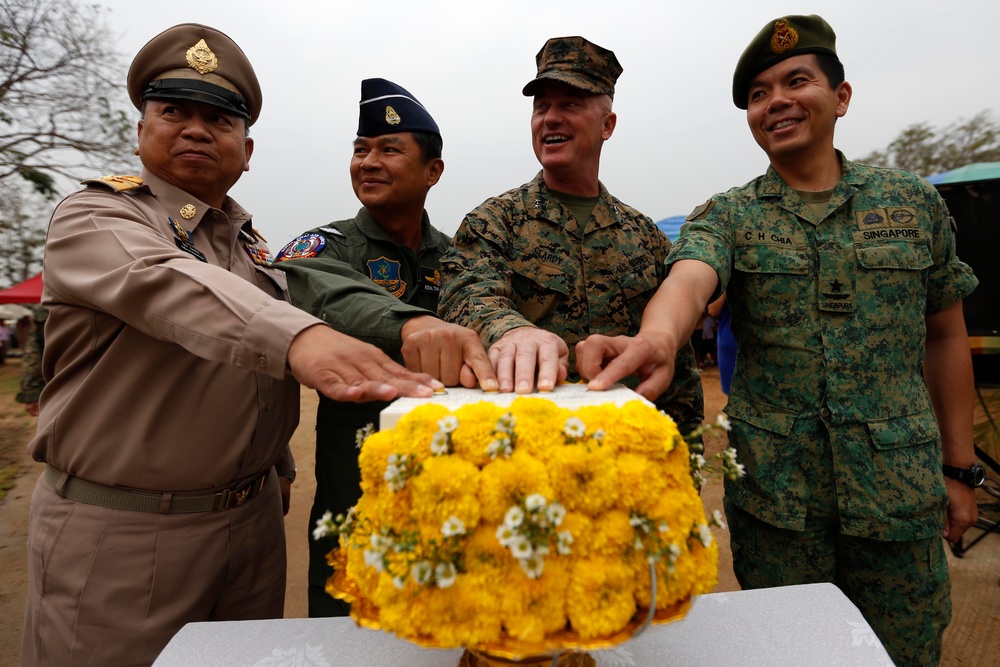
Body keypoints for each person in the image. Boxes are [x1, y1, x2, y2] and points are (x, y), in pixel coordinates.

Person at [19, 23, 494, 667]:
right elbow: (172, 284)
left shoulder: (248, 244)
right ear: (141, 130)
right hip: (126, 530)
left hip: (251, 527)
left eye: (218, 119)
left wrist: (403, 325)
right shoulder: (97, 217)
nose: (194, 129)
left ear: (246, 150)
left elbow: (311, 287)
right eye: (173, 112)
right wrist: (303, 337)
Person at [578, 15, 980, 665]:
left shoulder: (911, 204)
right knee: (788, 652)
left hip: (898, 499)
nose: (777, 101)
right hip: (779, 507)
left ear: (841, 97)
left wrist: (960, 468)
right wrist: (657, 337)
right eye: (760, 93)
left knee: (903, 653)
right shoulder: (729, 215)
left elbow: (946, 334)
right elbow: (688, 281)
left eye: (798, 81)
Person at [275, 78, 491, 616]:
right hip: (358, 477)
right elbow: (308, 286)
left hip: (454, 479)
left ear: (433, 171)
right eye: (360, 149)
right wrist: (411, 325)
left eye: (389, 149)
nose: (368, 162)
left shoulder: (461, 257)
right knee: (350, 614)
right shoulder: (326, 246)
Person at [438, 36, 703, 435]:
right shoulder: (494, 221)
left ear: (607, 125)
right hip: (528, 449)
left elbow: (676, 361)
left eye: (570, 104)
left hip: (628, 453)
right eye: (541, 107)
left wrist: (686, 456)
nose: (550, 118)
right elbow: (468, 295)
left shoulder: (645, 236)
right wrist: (512, 331)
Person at [15, 304, 46, 416]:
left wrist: (31, 391)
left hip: (63, 387)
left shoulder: (49, 304)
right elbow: (34, 351)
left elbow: (33, 352)